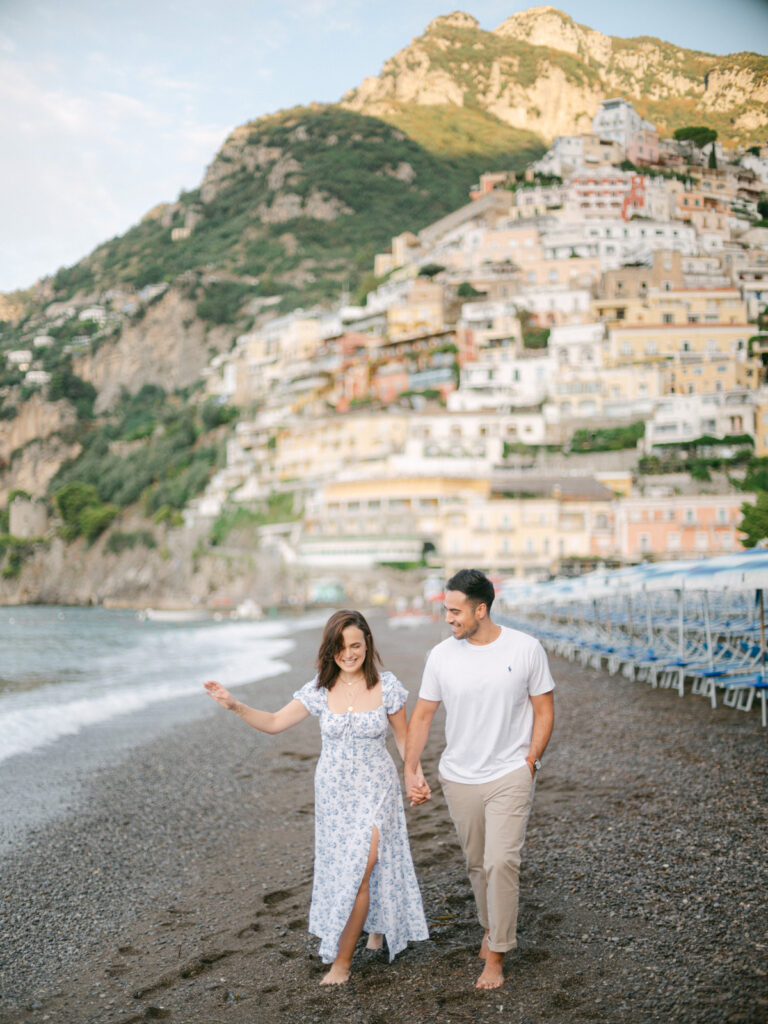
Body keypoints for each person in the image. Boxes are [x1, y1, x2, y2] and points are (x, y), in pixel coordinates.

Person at [204, 609, 429, 985]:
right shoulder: (320, 689)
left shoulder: (387, 686)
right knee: (350, 868)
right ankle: (375, 928)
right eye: (341, 647)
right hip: (334, 795)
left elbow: (405, 741)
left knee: (364, 864)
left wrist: (415, 777)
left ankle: (341, 963)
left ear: (367, 644)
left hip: (377, 789)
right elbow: (275, 723)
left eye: (356, 645)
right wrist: (235, 705)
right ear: (330, 649)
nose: (349, 653)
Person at [404, 569, 555, 991]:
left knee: (501, 860)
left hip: (510, 772)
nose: (448, 618)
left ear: (481, 609)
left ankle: (497, 954)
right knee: (476, 864)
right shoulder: (441, 656)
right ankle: (490, 928)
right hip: (459, 777)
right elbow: (422, 715)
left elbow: (544, 710)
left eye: (455, 611)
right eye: (445, 610)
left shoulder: (526, 649)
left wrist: (530, 761)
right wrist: (411, 768)